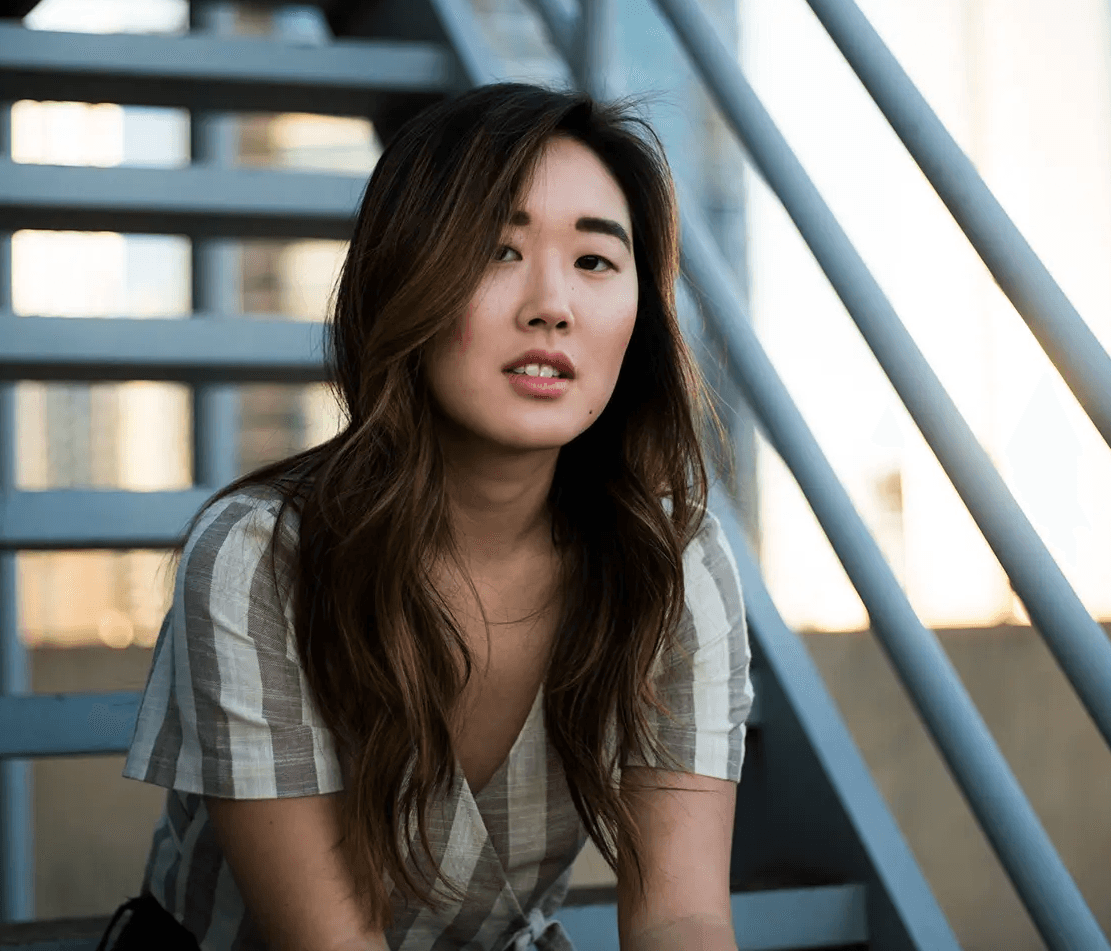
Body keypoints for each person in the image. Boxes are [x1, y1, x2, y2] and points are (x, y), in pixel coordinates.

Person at [111, 82, 752, 951]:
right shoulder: (259, 559)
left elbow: (682, 914)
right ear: (405, 277)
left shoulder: (670, 558)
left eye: (596, 261)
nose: (552, 305)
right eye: (497, 250)